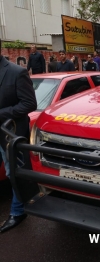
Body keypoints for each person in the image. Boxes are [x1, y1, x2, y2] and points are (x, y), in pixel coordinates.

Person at [0, 39, 37, 233]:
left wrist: (2, 114)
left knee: (12, 174)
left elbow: (29, 104)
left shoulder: (16, 72)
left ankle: (17, 212)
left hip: (10, 133)